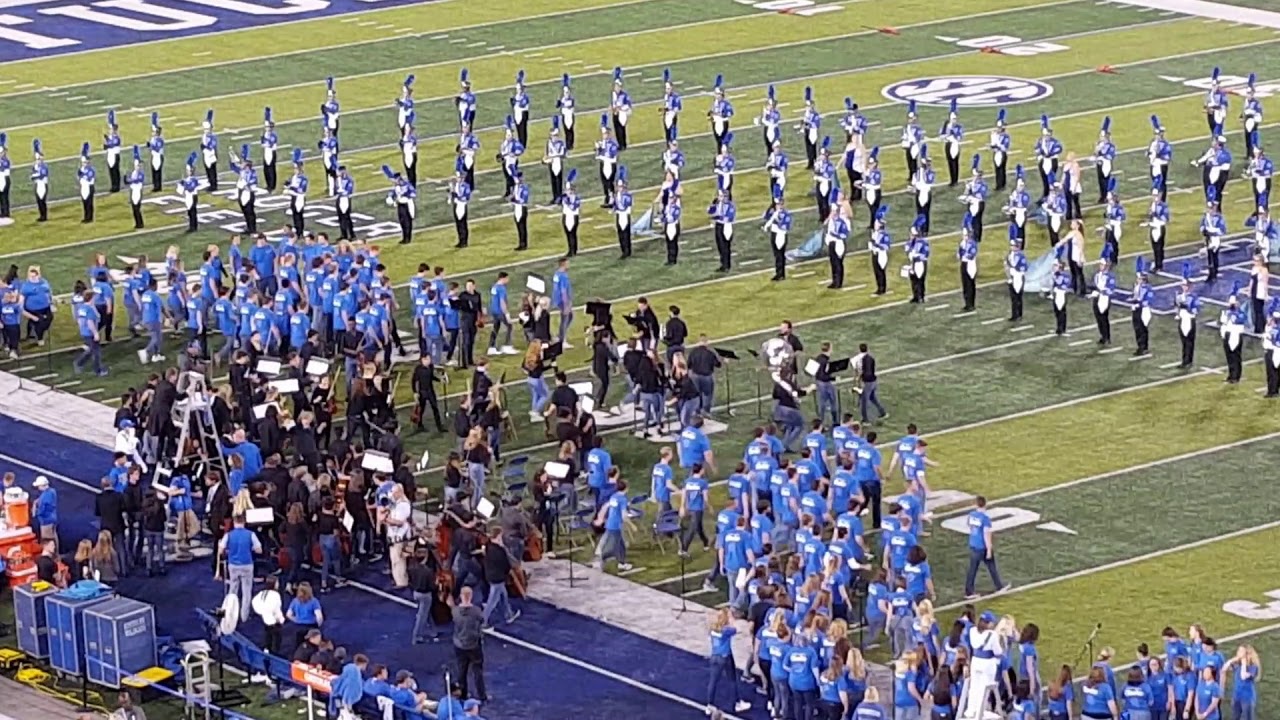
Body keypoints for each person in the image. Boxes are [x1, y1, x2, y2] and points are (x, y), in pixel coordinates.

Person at [963, 496, 1010, 599]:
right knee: (991, 567)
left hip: (973, 545)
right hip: (982, 547)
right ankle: (999, 587)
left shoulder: (971, 515)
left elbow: (969, 526)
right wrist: (989, 549)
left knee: (972, 569)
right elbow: (986, 535)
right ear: (985, 504)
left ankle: (968, 592)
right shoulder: (985, 519)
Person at [706, 608, 751, 714]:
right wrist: (732, 619)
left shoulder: (713, 628)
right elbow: (736, 629)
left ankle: (709, 705)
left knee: (713, 681)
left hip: (714, 656)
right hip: (725, 657)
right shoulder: (726, 630)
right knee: (732, 680)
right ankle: (737, 703)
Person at [450, 586, 487, 702]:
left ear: (461, 596)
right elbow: (482, 620)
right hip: (474, 644)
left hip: (459, 645)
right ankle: (482, 696)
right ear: (470, 596)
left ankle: (463, 695)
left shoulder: (455, 611)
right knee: (477, 671)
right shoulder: (476, 611)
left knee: (461, 671)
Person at [481, 527, 520, 627]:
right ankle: (483, 621)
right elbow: (506, 564)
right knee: (492, 601)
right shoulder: (499, 551)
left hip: (490, 575)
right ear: (498, 536)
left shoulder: (488, 546)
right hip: (497, 578)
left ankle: (509, 615)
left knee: (504, 596)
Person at [409, 546, 440, 644]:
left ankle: (433, 631)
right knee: (422, 616)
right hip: (425, 595)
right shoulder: (428, 571)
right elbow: (432, 586)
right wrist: (437, 583)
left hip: (415, 593)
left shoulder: (411, 567)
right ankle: (416, 636)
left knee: (426, 612)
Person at [1223, 644, 1260, 720]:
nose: (1238, 652)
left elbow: (1243, 676)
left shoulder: (1252, 667)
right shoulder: (1237, 665)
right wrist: (1232, 660)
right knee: (1235, 717)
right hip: (1237, 696)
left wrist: (1243, 662)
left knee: (1247, 717)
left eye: (1241, 651)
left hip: (1247, 697)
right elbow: (1224, 668)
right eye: (1238, 650)